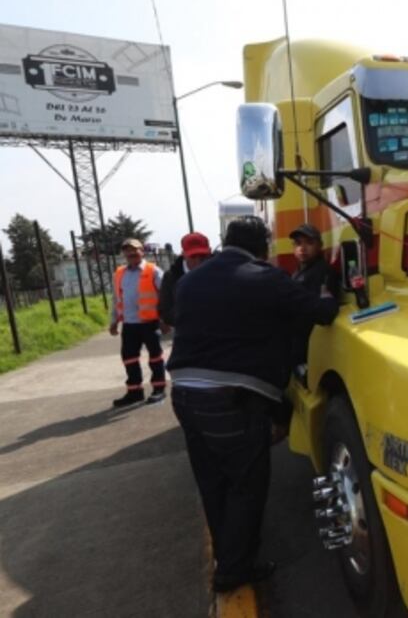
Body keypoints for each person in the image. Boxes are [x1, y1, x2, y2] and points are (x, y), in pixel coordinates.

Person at [167, 216, 339, 593]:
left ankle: (227, 557)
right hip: (231, 398)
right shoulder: (265, 277)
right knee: (247, 483)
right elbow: (320, 313)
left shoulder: (190, 280)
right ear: (262, 245)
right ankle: (234, 569)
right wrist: (328, 295)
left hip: (183, 393)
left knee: (212, 480)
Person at [109, 238, 166, 407]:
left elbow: (165, 295)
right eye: (127, 250)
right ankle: (135, 392)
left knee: (155, 357)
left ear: (142, 251)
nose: (131, 253)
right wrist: (114, 321)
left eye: (134, 250)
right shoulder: (119, 273)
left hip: (150, 322)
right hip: (130, 324)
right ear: (124, 254)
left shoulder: (153, 270)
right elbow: (116, 299)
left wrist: (164, 319)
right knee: (129, 358)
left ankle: (159, 389)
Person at [288, 224, 332, 370]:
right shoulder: (298, 272)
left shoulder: (322, 272)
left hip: (309, 343)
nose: (302, 248)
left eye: (309, 243)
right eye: (298, 243)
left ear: (320, 245)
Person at [159, 231, 212, 331]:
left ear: (210, 251)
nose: (198, 261)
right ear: (183, 254)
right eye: (193, 256)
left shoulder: (220, 273)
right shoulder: (171, 277)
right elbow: (165, 311)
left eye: (202, 256)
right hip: (187, 336)